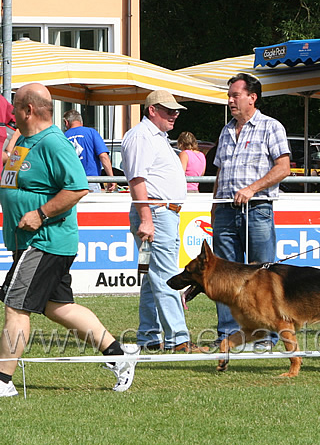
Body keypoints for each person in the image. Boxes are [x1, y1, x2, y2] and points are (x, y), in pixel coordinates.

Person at [0, 83, 138, 397]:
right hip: (30, 240)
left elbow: (77, 187)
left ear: (28, 110)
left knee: (15, 306)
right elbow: (12, 179)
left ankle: (3, 380)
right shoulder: (26, 140)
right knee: (57, 306)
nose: (11, 112)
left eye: (15, 106)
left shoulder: (53, 143)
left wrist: (41, 214)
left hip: (45, 239)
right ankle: (119, 356)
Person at [121, 90, 208, 353]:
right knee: (167, 276)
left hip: (159, 212)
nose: (175, 114)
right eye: (169, 110)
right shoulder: (141, 136)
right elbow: (137, 180)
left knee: (152, 277)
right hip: (156, 213)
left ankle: (149, 335)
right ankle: (178, 339)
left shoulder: (154, 137)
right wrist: (147, 219)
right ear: (152, 110)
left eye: (176, 110)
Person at [211, 73, 290, 351]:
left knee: (262, 274)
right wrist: (214, 206)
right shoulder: (225, 130)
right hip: (224, 209)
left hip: (256, 209)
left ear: (252, 98)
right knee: (223, 275)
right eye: (229, 95)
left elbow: (283, 168)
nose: (230, 100)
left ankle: (266, 335)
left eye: (235, 95)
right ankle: (228, 336)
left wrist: (253, 189)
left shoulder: (271, 127)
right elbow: (220, 171)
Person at [63, 109, 117, 193]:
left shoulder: (62, 137)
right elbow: (103, 156)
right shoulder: (91, 132)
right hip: (91, 181)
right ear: (81, 121)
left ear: (66, 122)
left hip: (71, 183)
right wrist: (111, 178)